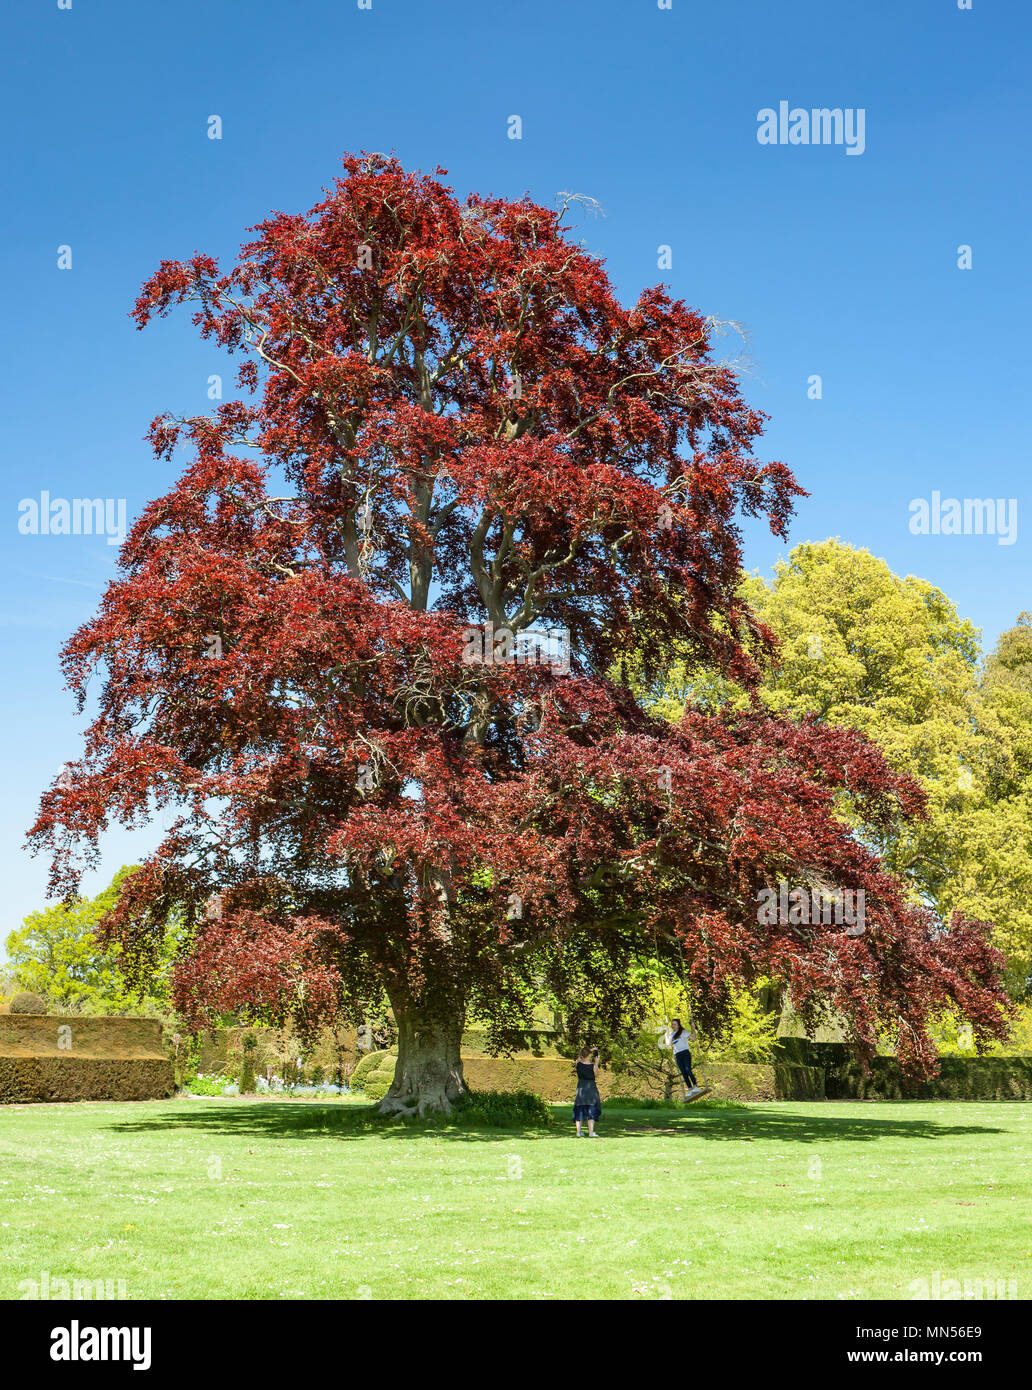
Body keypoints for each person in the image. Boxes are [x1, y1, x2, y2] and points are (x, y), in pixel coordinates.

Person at [663, 1017, 709, 1102]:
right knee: (683, 1073)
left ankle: (695, 1087)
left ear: (678, 1025)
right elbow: (668, 1044)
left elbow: (694, 1039)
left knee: (688, 1070)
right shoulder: (672, 1035)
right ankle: (690, 1089)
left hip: (685, 1053)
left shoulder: (683, 1032)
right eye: (672, 1024)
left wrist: (693, 1028)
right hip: (677, 1055)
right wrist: (666, 1034)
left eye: (674, 1024)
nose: (673, 1026)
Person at [573, 1046, 602, 1137]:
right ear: (589, 1055)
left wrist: (589, 1051)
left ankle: (578, 1132)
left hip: (581, 1087)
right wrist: (596, 1063)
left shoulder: (578, 1064)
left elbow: (579, 1058)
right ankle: (591, 1132)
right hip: (591, 1088)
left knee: (579, 1108)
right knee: (591, 1108)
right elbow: (596, 1075)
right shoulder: (592, 1066)